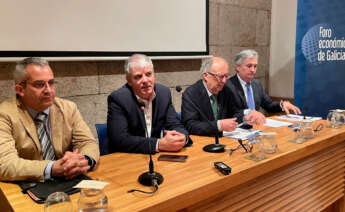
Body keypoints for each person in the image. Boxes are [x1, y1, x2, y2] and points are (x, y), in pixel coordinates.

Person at [0, 58, 99, 182]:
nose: (49, 90)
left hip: (67, 178)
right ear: (20, 90)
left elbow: (87, 142)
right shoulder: (4, 114)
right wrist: (51, 168)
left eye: (51, 83)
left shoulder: (68, 108)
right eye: (39, 84)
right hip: (28, 185)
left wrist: (83, 160)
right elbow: (5, 163)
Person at [107, 54, 191, 154]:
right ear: (129, 81)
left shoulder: (163, 93)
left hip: (156, 158)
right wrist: (158, 144)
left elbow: (175, 125)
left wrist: (182, 137)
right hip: (129, 158)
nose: (145, 80)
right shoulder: (118, 99)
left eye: (148, 74)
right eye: (138, 76)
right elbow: (120, 140)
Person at [227, 49, 301, 124]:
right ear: (237, 67)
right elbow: (229, 114)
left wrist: (282, 104)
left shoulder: (256, 84)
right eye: (249, 66)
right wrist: (248, 113)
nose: (253, 70)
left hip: (256, 127)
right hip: (237, 129)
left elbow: (268, 105)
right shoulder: (228, 85)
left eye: (255, 66)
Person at [182, 56, 242, 136]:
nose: (224, 81)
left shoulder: (226, 90)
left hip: (226, 139)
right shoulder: (191, 94)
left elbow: (235, 112)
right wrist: (218, 125)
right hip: (203, 141)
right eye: (220, 76)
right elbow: (190, 126)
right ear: (205, 76)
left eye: (226, 76)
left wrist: (245, 116)